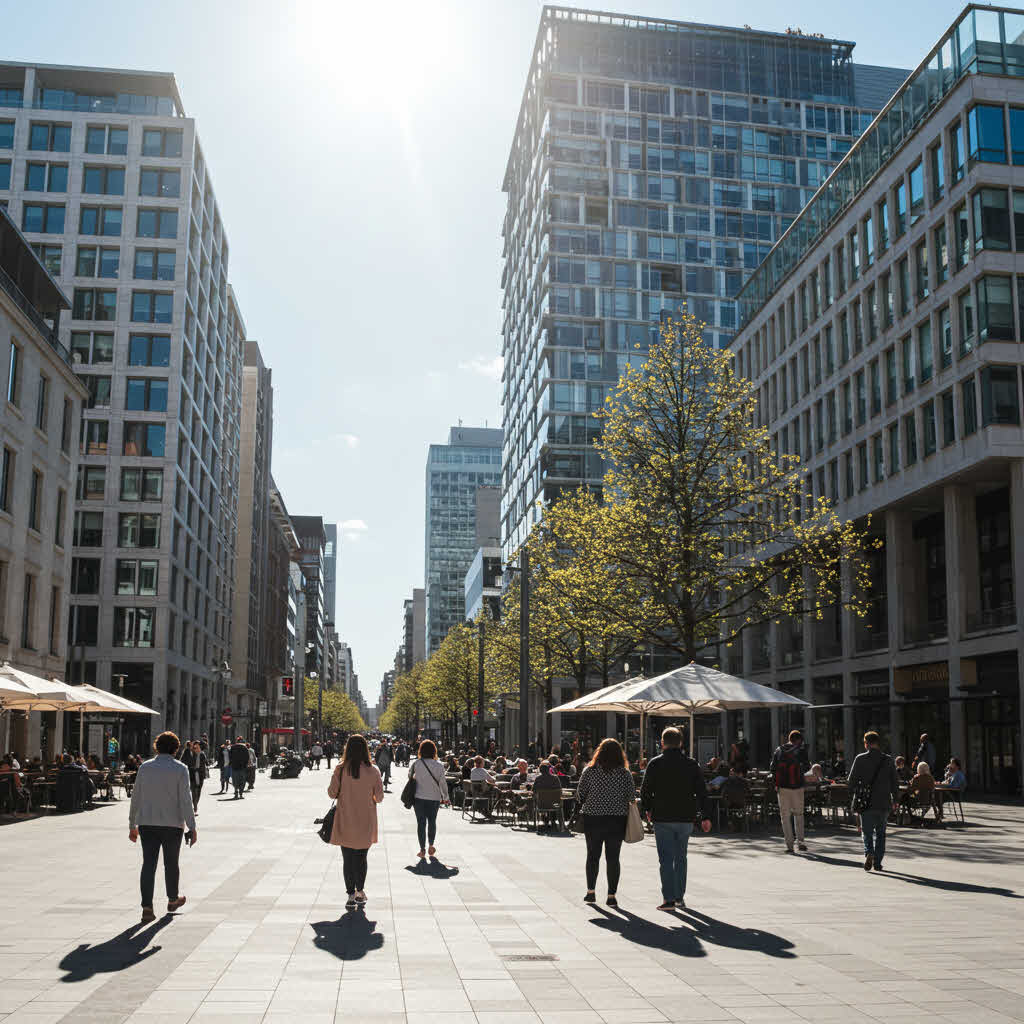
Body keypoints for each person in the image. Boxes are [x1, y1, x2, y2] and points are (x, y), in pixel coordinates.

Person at [128, 731, 197, 922]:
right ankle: (173, 899)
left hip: (147, 823)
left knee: (148, 865)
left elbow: (136, 797)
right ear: (176, 749)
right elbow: (186, 800)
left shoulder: (145, 767)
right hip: (172, 824)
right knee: (171, 863)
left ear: (156, 747)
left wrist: (132, 824)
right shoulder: (180, 768)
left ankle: (147, 908)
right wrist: (192, 826)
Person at [640, 727, 711, 911]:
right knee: (681, 858)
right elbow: (701, 792)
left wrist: (647, 809)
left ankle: (669, 899)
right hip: (685, 817)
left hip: (662, 817)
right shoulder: (691, 764)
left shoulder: (655, 763)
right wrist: (705, 816)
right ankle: (679, 897)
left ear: (662, 743)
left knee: (665, 859)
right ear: (681, 743)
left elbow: (645, 790)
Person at [576, 738, 636, 907]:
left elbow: (580, 795)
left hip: (593, 818)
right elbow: (632, 797)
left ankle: (591, 892)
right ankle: (611, 895)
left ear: (599, 753)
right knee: (613, 858)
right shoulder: (624, 774)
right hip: (617, 819)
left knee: (592, 856)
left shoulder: (590, 771)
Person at [327, 734, 384, 909]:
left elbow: (332, 793)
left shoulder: (340, 769)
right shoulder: (373, 770)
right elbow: (379, 797)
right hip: (365, 820)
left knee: (348, 859)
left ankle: (350, 894)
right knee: (361, 858)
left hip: (345, 818)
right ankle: (360, 892)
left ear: (347, 749)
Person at [847, 731, 900, 871]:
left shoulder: (860, 759)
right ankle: (877, 862)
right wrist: (896, 799)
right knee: (881, 833)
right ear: (878, 743)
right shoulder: (888, 760)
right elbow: (895, 782)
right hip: (884, 802)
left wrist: (854, 795)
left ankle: (869, 852)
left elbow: (851, 782)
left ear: (866, 744)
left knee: (867, 832)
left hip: (866, 802)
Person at [769, 729, 811, 854]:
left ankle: (789, 845)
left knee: (785, 817)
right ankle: (801, 842)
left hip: (783, 788)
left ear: (789, 739)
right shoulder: (801, 750)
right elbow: (807, 767)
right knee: (799, 815)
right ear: (799, 740)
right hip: (798, 787)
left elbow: (772, 768)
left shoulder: (779, 750)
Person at [408, 740, 449, 859]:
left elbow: (409, 776)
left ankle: (422, 849)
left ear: (420, 750)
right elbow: (443, 783)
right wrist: (446, 797)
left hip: (419, 797)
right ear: (434, 751)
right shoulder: (439, 765)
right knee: (432, 821)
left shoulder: (416, 763)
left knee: (421, 823)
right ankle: (431, 845)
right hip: (434, 798)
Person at [532, 760, 563, 831]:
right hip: (555, 804)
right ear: (549, 770)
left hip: (541, 804)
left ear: (540, 771)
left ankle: (544, 819)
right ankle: (555, 821)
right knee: (555, 802)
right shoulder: (555, 778)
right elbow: (560, 790)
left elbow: (533, 791)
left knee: (538, 800)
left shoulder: (538, 779)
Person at [185, 740, 207, 812]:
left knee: (199, 791)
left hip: (200, 775)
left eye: (198, 747)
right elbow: (185, 762)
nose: (196, 749)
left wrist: (199, 770)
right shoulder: (190, 754)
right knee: (194, 791)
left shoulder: (202, 755)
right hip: (192, 775)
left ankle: (195, 804)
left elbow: (204, 765)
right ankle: (194, 807)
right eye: (195, 748)